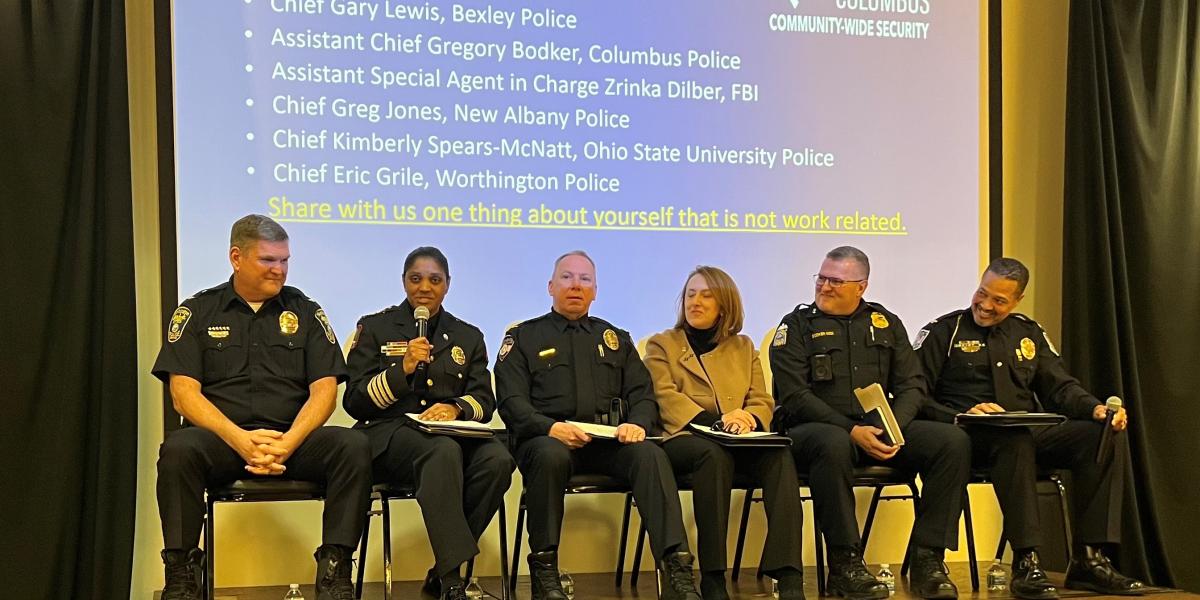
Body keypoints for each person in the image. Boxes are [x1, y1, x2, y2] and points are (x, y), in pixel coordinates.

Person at [152, 215, 371, 600]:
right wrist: (239, 439)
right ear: (236, 257)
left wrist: (288, 442)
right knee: (178, 450)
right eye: (269, 260)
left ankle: (335, 571)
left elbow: (324, 391)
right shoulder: (198, 312)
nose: (279, 270)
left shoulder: (305, 311)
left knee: (352, 446)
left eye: (285, 260)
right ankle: (181, 573)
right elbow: (183, 394)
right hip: (222, 441)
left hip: (291, 441)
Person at [914, 257, 1145, 598]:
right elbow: (916, 395)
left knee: (1103, 433)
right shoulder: (944, 332)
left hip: (1023, 428)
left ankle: (1089, 558)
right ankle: (1027, 561)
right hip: (966, 434)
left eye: (999, 300)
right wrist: (963, 413)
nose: (986, 305)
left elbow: (1060, 387)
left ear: (1017, 300)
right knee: (1016, 440)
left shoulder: (1028, 333)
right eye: (982, 293)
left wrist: (1095, 408)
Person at [495, 250, 701, 600]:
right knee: (549, 456)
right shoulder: (524, 337)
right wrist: (550, 428)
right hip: (549, 441)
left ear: (595, 291)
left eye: (584, 279)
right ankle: (545, 573)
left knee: (650, 455)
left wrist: (636, 424)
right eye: (567, 277)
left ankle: (677, 571)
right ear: (550, 286)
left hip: (606, 445)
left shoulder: (615, 339)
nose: (576, 285)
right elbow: (511, 402)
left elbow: (643, 395)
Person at [769, 246, 970, 600]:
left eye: (836, 281)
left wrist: (894, 426)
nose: (825, 287)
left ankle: (928, 560)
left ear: (861, 286)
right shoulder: (796, 326)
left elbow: (913, 385)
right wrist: (851, 430)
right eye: (822, 278)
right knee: (833, 443)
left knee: (950, 442)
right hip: (814, 433)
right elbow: (795, 395)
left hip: (878, 430)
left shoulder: (885, 322)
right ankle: (845, 563)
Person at [343, 246, 515, 600]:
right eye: (416, 278)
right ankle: (452, 580)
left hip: (447, 436)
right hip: (389, 437)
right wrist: (401, 370)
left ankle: (440, 570)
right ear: (404, 282)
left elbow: (485, 400)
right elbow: (354, 401)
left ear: (447, 285)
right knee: (442, 451)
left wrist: (455, 408)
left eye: (434, 280)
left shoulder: (467, 336)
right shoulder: (376, 327)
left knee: (498, 460)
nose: (425, 287)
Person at [644, 266, 805, 600]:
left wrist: (749, 418)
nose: (695, 302)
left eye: (706, 295)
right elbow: (663, 396)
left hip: (737, 438)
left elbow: (761, 398)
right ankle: (713, 576)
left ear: (725, 305)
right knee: (712, 457)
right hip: (685, 440)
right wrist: (716, 421)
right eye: (690, 294)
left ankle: (788, 575)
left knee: (779, 453)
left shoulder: (744, 347)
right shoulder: (662, 345)